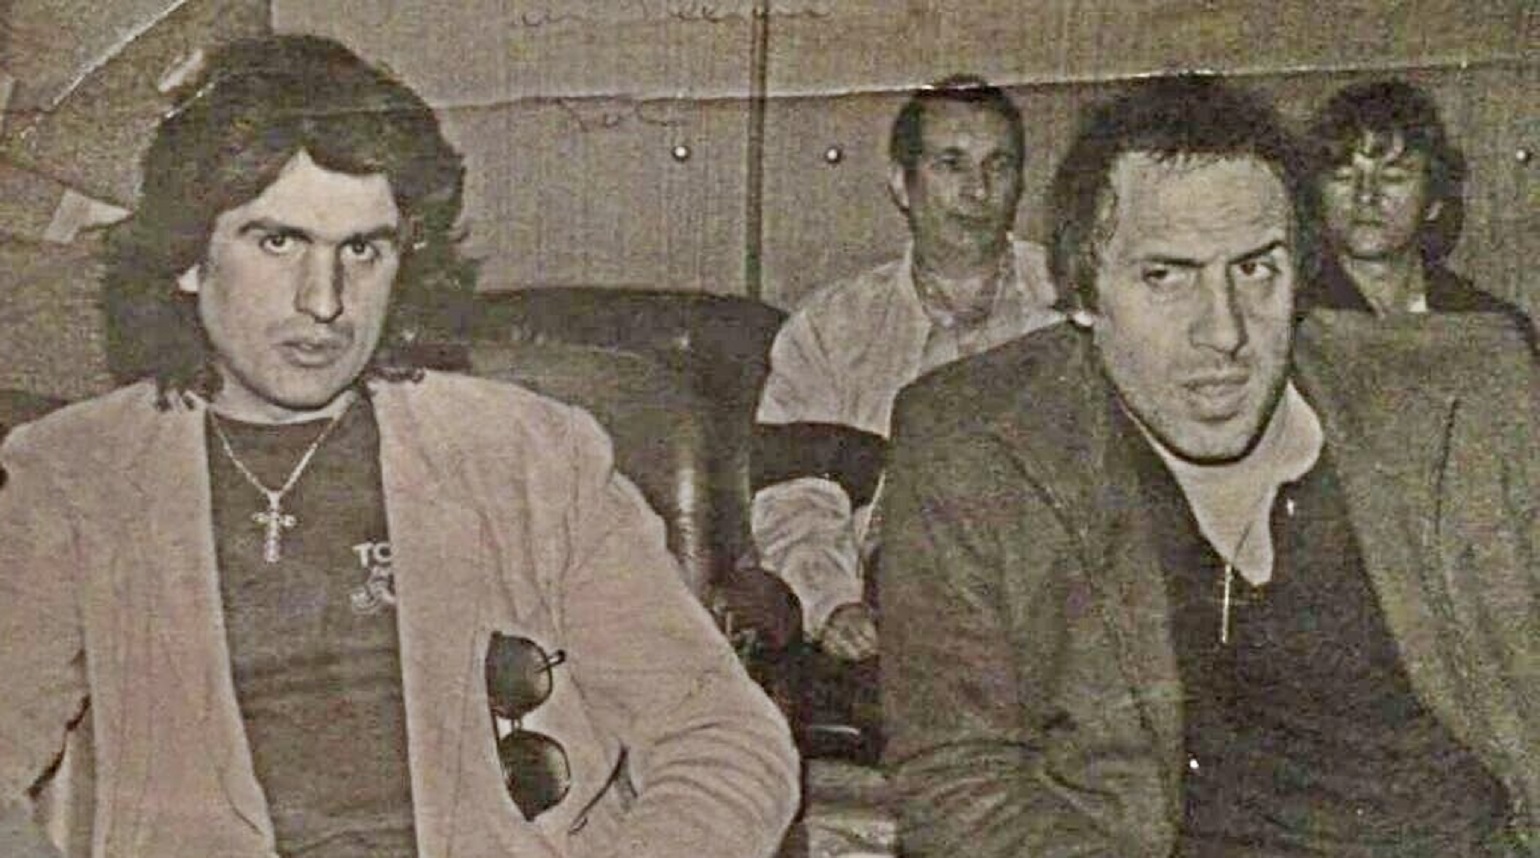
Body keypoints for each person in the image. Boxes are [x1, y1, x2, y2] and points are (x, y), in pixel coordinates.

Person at [0, 34, 798, 858]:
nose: (325, 301)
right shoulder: (77, 473)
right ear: (188, 259)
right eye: (278, 242)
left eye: (362, 249)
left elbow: (725, 740)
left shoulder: (530, 455)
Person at [881, 75, 1538, 857]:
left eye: (1256, 269)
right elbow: (958, 783)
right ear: (1083, 295)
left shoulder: (1465, 393)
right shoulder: (975, 441)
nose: (1224, 331)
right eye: (1167, 276)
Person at [751, 74, 1061, 664]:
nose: (978, 191)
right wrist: (832, 602)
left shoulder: (1080, 308)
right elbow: (796, 499)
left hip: (1051, 613)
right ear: (901, 182)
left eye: (998, 166)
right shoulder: (832, 329)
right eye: (951, 164)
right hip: (895, 621)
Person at [1305, 79, 1532, 341]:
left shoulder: (1488, 327)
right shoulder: (1291, 323)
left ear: (1433, 200)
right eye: (1344, 177)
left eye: (1392, 178)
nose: (1366, 196)